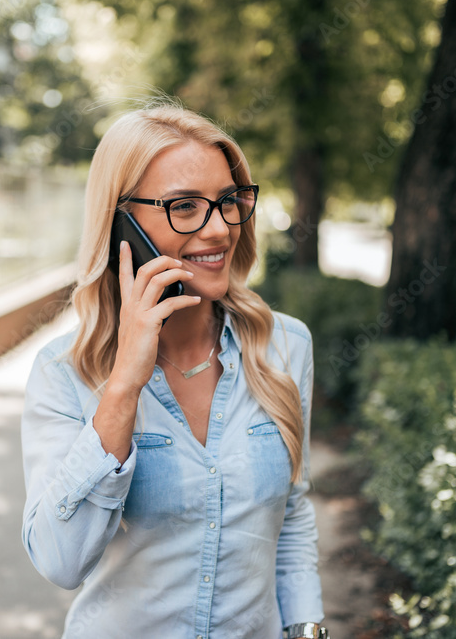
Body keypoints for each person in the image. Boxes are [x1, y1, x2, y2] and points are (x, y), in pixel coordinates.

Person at [20, 101, 326, 639]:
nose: (219, 231)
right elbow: (58, 562)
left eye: (228, 201)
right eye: (185, 206)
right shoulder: (63, 374)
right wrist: (123, 389)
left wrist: (307, 628)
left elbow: (291, 511)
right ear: (122, 224)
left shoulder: (285, 347)